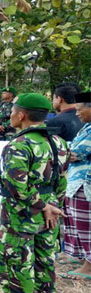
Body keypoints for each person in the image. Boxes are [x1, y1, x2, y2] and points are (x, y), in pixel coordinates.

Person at [0, 93, 69, 293]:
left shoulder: (19, 145)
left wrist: (41, 206)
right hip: (49, 211)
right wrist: (52, 207)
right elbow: (60, 181)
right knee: (45, 259)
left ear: (21, 115)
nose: (10, 115)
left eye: (13, 111)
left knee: (17, 261)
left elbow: (16, 186)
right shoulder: (58, 142)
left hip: (22, 214)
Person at [61, 92, 91, 280]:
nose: (77, 114)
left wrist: (65, 151)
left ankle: (89, 266)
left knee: (86, 224)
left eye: (80, 110)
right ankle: (78, 256)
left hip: (86, 182)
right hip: (76, 180)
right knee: (74, 221)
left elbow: (76, 152)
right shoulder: (86, 127)